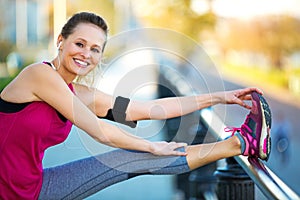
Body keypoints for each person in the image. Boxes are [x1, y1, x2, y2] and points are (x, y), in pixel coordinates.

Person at [0, 12, 271, 200]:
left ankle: (240, 143)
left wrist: (219, 97)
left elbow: (147, 110)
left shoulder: (80, 94)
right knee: (138, 153)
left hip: (31, 187)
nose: (86, 54)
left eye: (95, 49)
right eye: (79, 43)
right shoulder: (39, 75)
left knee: (136, 155)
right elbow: (100, 132)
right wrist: (151, 145)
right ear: (61, 42)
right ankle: (238, 144)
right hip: (7, 191)